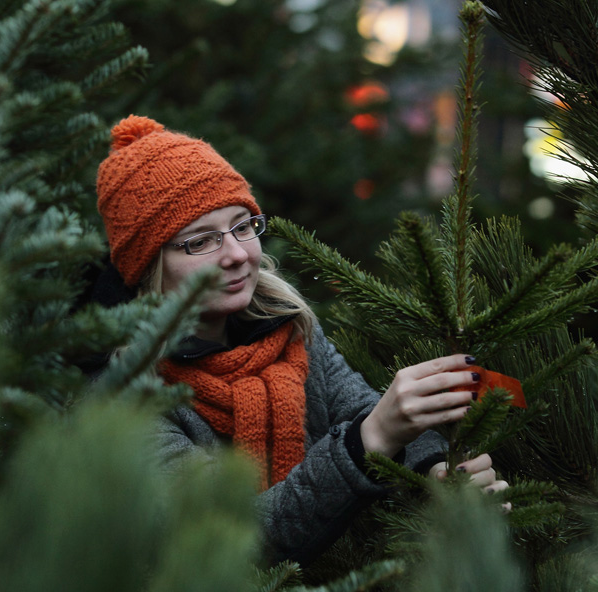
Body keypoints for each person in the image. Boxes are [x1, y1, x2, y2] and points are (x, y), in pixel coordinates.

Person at [91, 115, 507, 565]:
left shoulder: (288, 330)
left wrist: (436, 471)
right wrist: (367, 440)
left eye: (242, 225)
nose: (236, 255)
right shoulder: (123, 397)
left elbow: (365, 411)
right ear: (148, 266)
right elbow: (230, 542)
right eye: (200, 241)